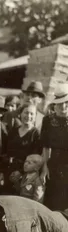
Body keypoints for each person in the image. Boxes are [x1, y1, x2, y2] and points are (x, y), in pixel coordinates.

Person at [41, 83, 68, 211]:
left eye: (66, 102)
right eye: (60, 103)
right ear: (55, 104)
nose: (63, 106)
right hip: (55, 164)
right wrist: (45, 166)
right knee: (54, 202)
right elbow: (45, 146)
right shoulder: (48, 121)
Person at [5, 104, 42, 193]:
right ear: (20, 114)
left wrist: (20, 172)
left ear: (35, 116)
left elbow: (35, 159)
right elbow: (6, 152)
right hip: (9, 172)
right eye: (26, 113)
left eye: (31, 114)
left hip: (26, 175)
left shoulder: (36, 134)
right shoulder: (13, 131)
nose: (28, 116)